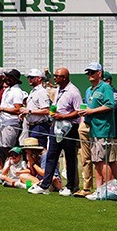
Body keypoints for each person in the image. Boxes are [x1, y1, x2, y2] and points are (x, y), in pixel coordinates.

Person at [32, 67, 80, 196]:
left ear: (64, 78)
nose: (55, 78)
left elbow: (78, 111)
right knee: (51, 156)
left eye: (57, 76)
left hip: (69, 128)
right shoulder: (59, 89)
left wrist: (63, 116)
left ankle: (70, 186)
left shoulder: (73, 92)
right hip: (56, 126)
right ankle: (45, 185)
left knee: (70, 158)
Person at [81, 63, 114, 200]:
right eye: (88, 73)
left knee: (103, 160)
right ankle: (99, 189)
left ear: (99, 73)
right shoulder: (89, 90)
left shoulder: (105, 87)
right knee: (96, 161)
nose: (90, 75)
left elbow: (110, 104)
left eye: (92, 72)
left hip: (103, 129)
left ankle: (108, 190)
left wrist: (92, 111)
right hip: (93, 129)